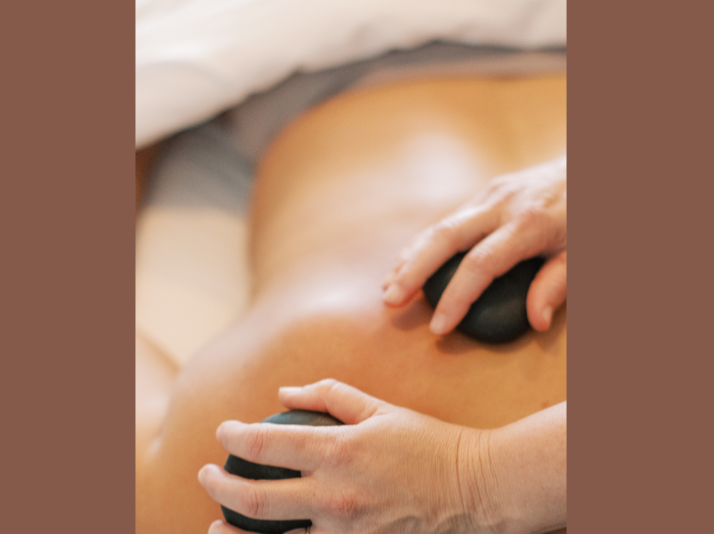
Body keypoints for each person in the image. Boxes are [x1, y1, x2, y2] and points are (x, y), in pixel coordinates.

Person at [134, 74, 568, 534]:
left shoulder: (233, 479)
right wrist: (469, 482)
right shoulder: (233, 473)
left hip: (314, 69)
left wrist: (475, 483)